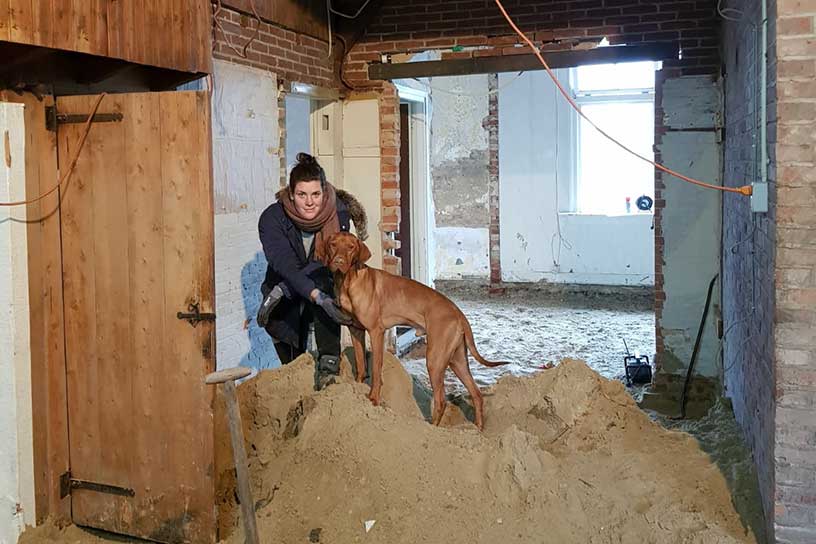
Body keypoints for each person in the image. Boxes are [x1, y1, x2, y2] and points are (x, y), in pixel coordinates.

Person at [257, 152, 367, 389]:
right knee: (294, 365)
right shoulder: (272, 218)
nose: (309, 202)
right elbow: (286, 265)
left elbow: (330, 262)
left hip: (320, 286)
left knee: (325, 287)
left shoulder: (338, 213)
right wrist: (284, 289)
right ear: (291, 193)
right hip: (283, 297)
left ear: (324, 192)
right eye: (301, 195)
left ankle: (329, 364)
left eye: (316, 194)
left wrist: (289, 290)